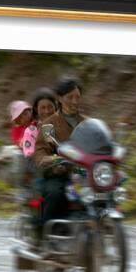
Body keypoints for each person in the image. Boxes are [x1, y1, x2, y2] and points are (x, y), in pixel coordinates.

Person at [32, 77, 87, 227]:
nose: (74, 101)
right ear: (60, 99)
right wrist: (50, 160)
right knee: (55, 193)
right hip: (59, 174)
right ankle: (45, 232)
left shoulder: (87, 122)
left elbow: (98, 144)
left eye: (77, 97)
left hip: (84, 175)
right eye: (70, 97)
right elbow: (41, 150)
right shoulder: (49, 124)